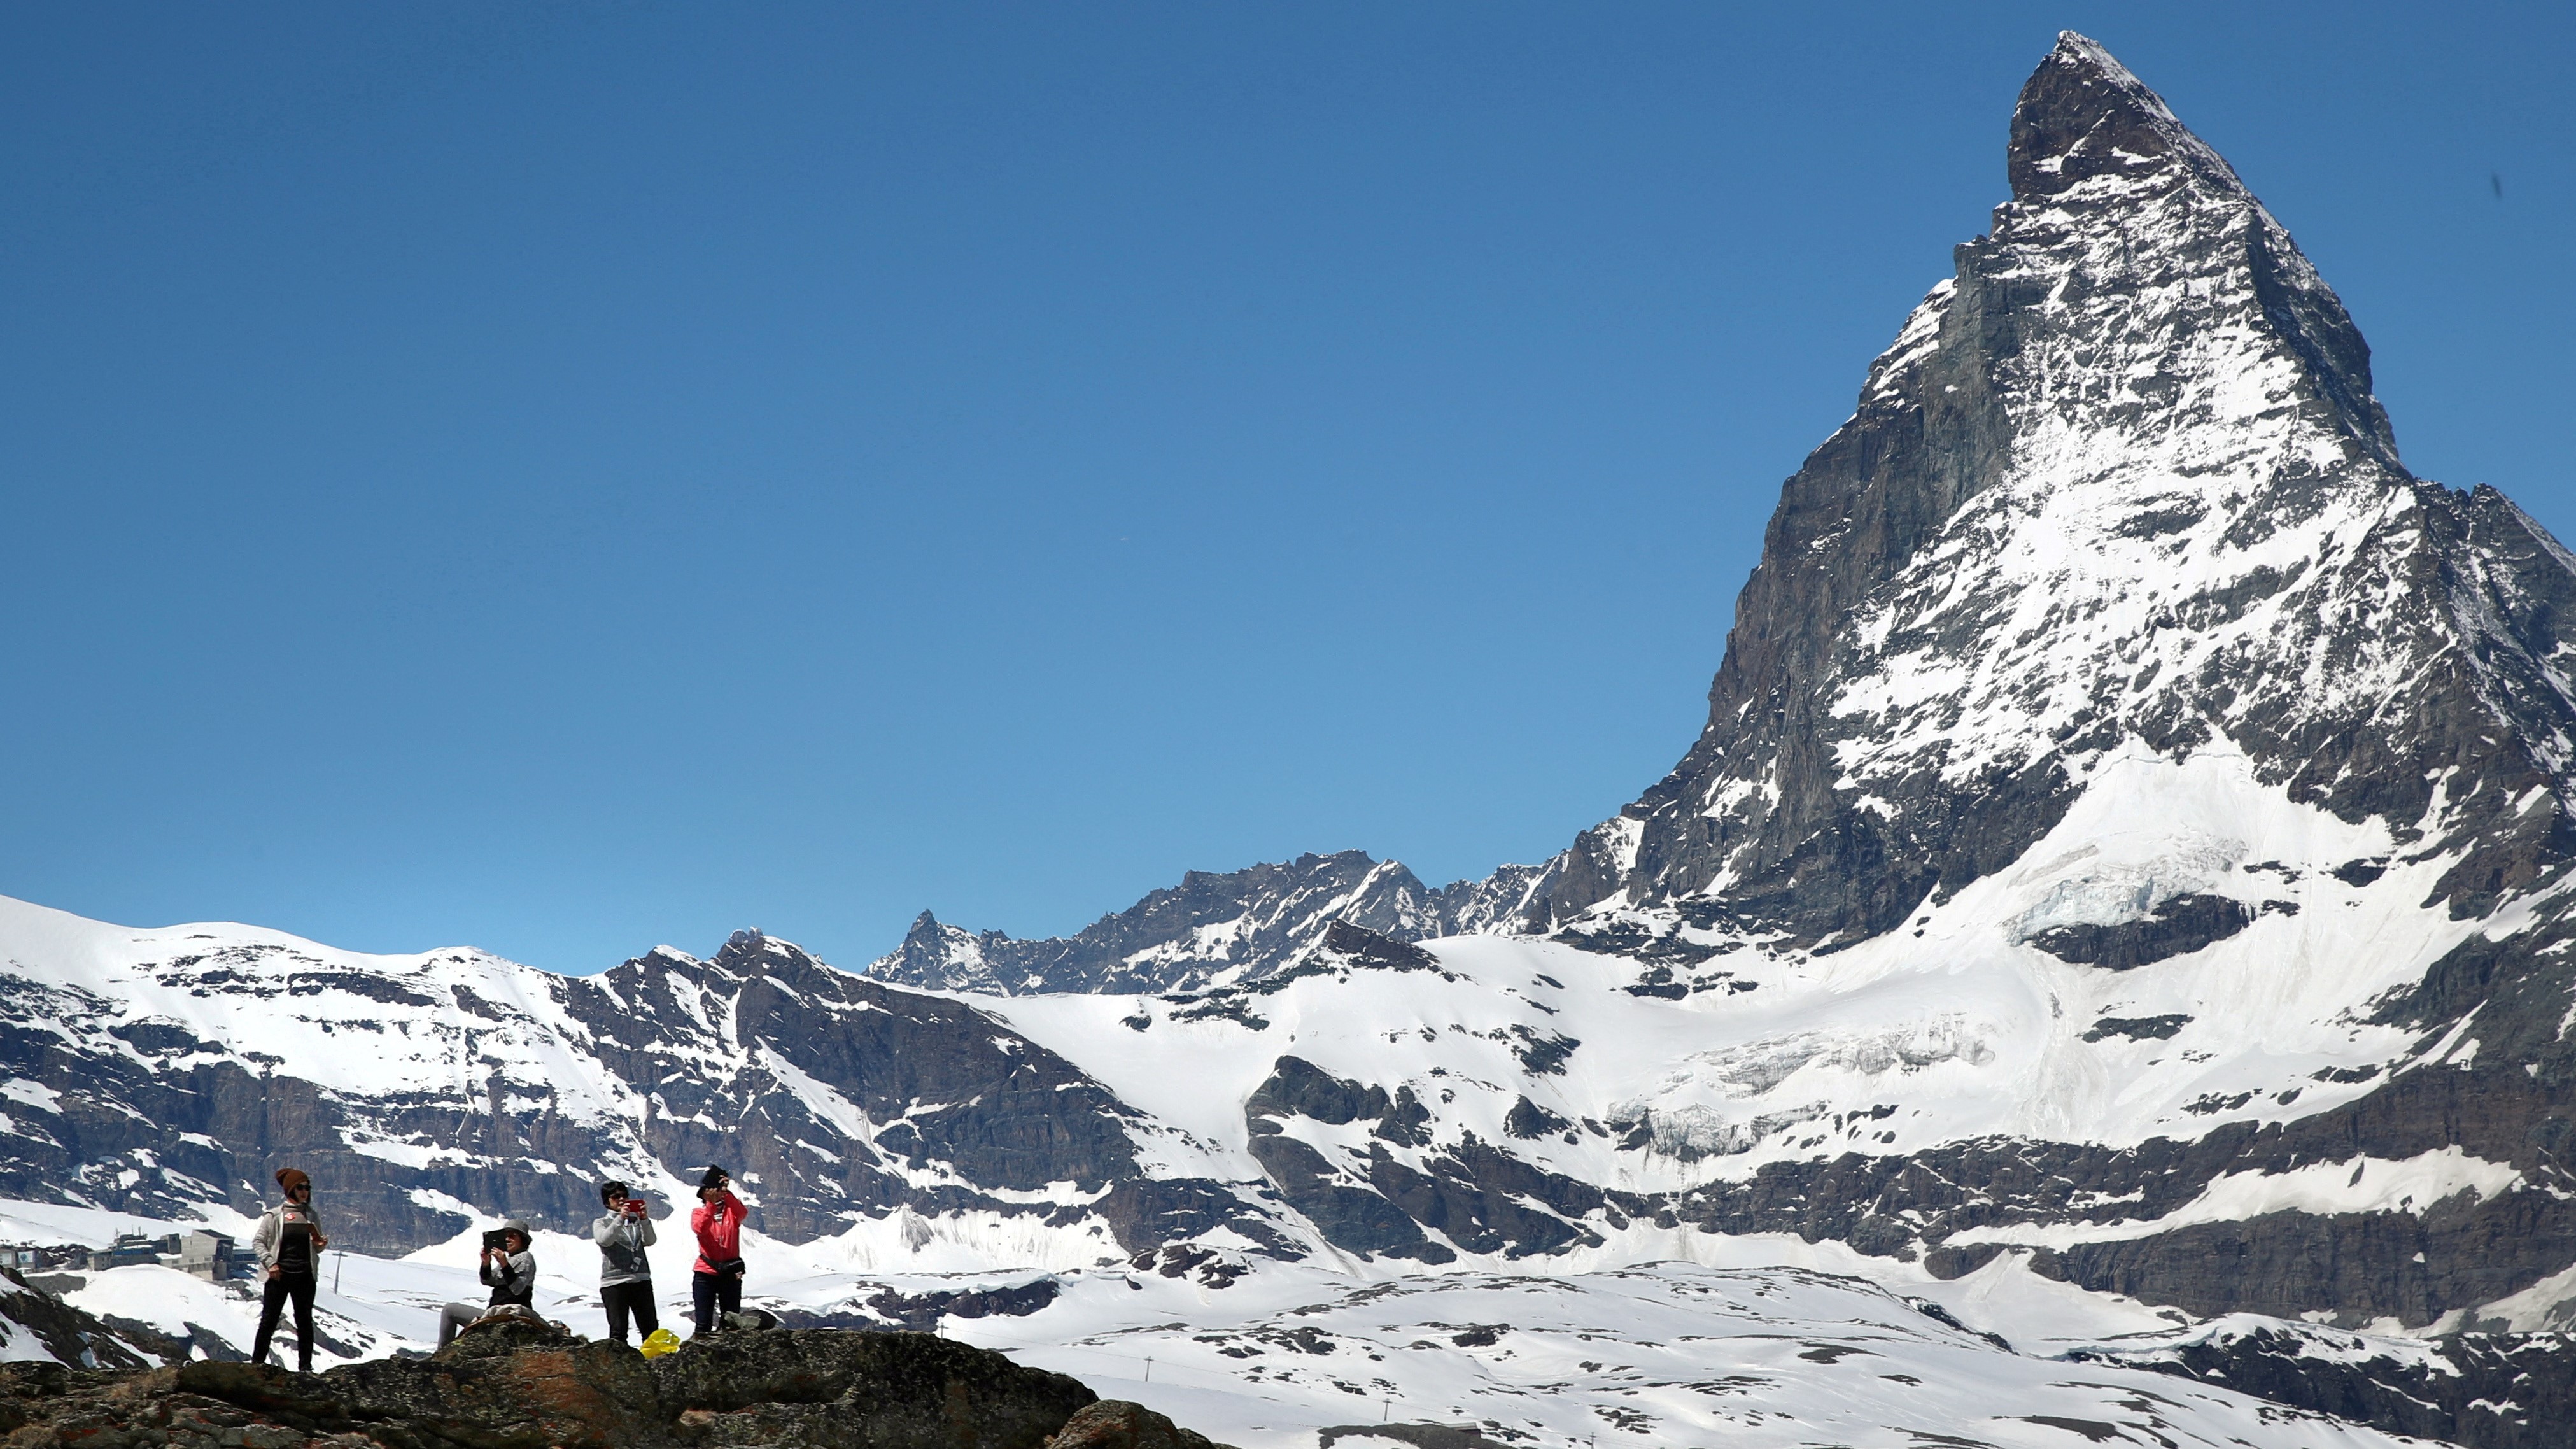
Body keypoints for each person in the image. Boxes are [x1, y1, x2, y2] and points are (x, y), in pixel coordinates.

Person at [250, 1167, 328, 1372]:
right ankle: (257, 1365)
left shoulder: (311, 1215)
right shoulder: (275, 1216)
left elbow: (317, 1248)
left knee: (305, 1322)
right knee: (269, 1320)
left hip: (305, 1276)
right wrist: (271, 1264)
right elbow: (258, 1242)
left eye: (307, 1188)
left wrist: (321, 1243)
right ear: (291, 1190)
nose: (305, 1191)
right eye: (300, 1187)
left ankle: (305, 1367)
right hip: (279, 1276)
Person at [436, 1220, 537, 1348]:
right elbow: (488, 1281)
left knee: (449, 1310)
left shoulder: (525, 1257)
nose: (507, 1239)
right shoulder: (510, 1259)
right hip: (496, 1311)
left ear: (523, 1239)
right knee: (450, 1310)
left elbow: (518, 1289)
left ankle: (442, 1353)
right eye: (505, 1236)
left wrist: (504, 1264)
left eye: (512, 1236)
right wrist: (486, 1263)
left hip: (510, 1312)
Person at [593, 1182, 658, 1347]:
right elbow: (604, 1240)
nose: (622, 1200)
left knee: (650, 1328)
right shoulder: (601, 1222)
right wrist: (620, 1219)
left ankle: (655, 1364)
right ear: (607, 1202)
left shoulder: (635, 1221)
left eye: (625, 1196)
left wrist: (644, 1219)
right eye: (616, 1197)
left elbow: (650, 1241)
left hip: (641, 1280)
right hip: (614, 1282)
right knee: (618, 1330)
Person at [689, 1166, 747, 1336]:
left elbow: (742, 1212)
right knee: (703, 1322)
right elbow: (700, 1228)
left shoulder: (732, 1213)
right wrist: (710, 1206)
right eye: (719, 1191)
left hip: (730, 1271)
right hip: (706, 1272)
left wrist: (726, 1191)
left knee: (731, 1322)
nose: (722, 1194)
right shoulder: (699, 1213)